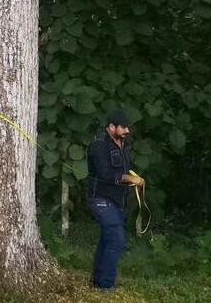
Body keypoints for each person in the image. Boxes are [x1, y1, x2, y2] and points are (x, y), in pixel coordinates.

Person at [86, 109, 144, 290]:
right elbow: (105, 173)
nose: (127, 131)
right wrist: (129, 178)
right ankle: (106, 285)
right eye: (123, 127)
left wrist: (135, 178)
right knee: (117, 239)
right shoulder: (98, 145)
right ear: (111, 127)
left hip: (117, 200)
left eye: (128, 127)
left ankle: (97, 281)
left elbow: (123, 170)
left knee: (107, 239)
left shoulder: (124, 144)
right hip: (100, 198)